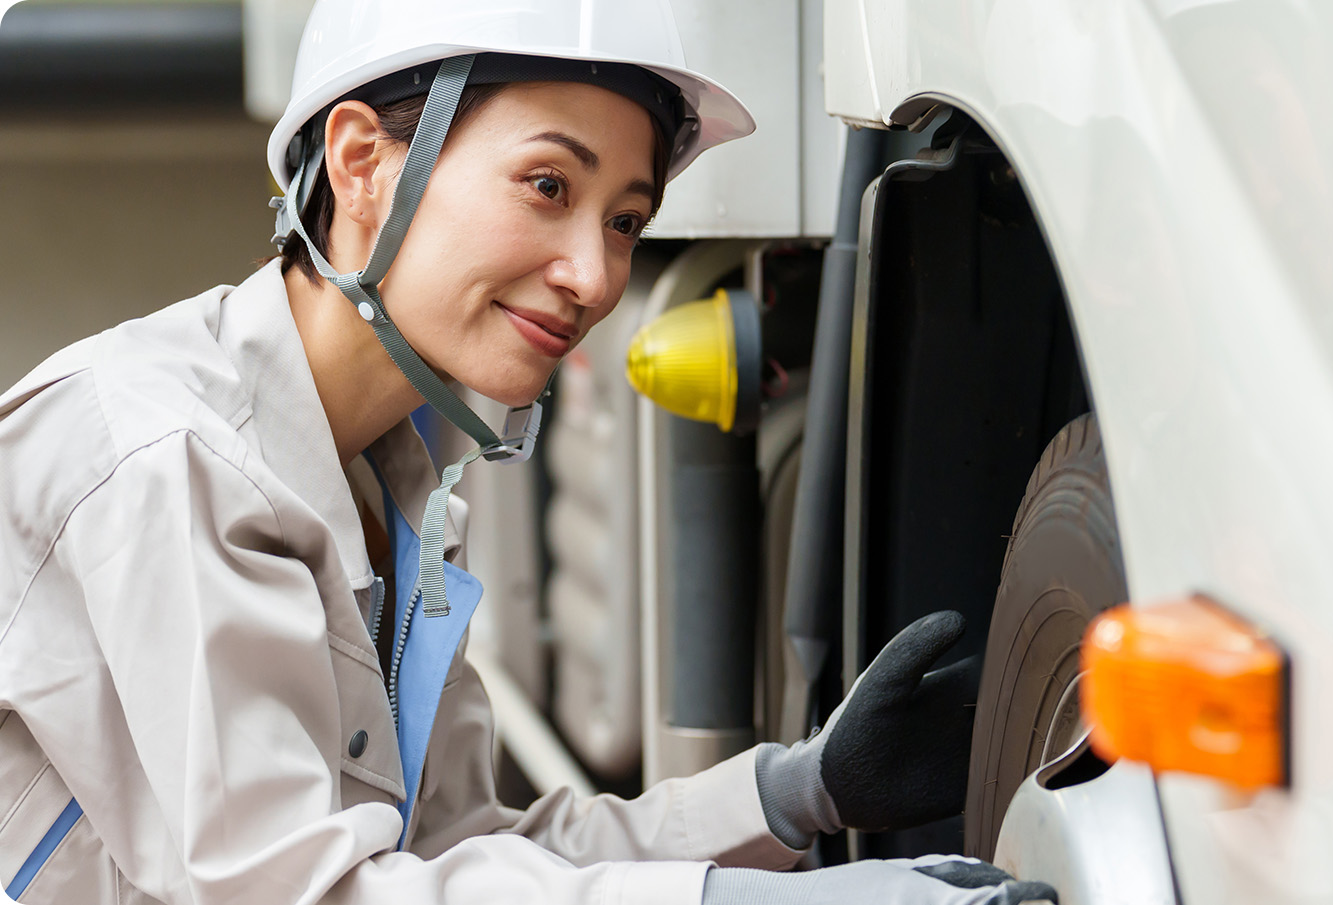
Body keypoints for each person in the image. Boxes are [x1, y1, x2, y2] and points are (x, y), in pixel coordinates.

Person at [0, 2, 1058, 904]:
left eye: (626, 220)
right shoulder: (164, 458)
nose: (594, 275)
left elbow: (462, 857)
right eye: (549, 185)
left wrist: (791, 791)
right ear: (361, 162)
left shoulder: (395, 486)